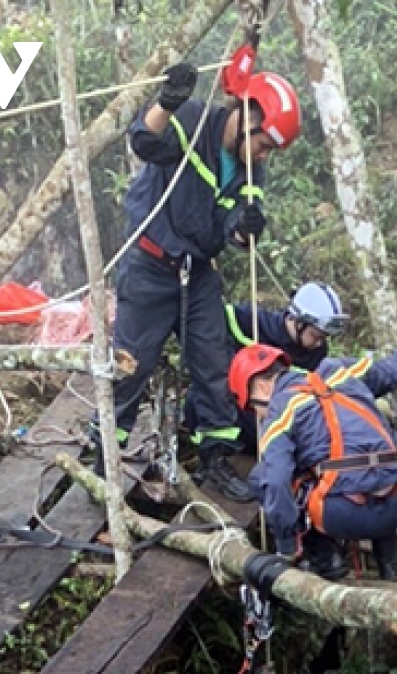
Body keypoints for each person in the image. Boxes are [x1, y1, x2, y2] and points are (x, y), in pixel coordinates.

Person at [105, 53, 301, 502]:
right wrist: (168, 102)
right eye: (265, 144)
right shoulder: (191, 120)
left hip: (198, 276)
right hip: (151, 267)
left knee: (214, 367)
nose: (265, 156)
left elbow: (234, 223)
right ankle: (103, 454)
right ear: (247, 118)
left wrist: (246, 229)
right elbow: (144, 141)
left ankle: (215, 459)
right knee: (130, 368)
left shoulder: (252, 168)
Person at [228, 329, 397, 579]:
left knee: (261, 477)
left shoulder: (281, 408)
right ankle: (389, 560)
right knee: (368, 463)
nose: (257, 415)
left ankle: (327, 560)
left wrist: (286, 549)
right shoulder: (341, 371)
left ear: (264, 387)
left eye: (253, 406)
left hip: (347, 516)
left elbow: (275, 482)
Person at [186, 282, 348, 452]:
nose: (319, 343)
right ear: (299, 322)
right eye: (315, 336)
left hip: (276, 426)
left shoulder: (316, 354)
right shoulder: (252, 322)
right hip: (235, 411)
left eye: (324, 338)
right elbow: (206, 320)